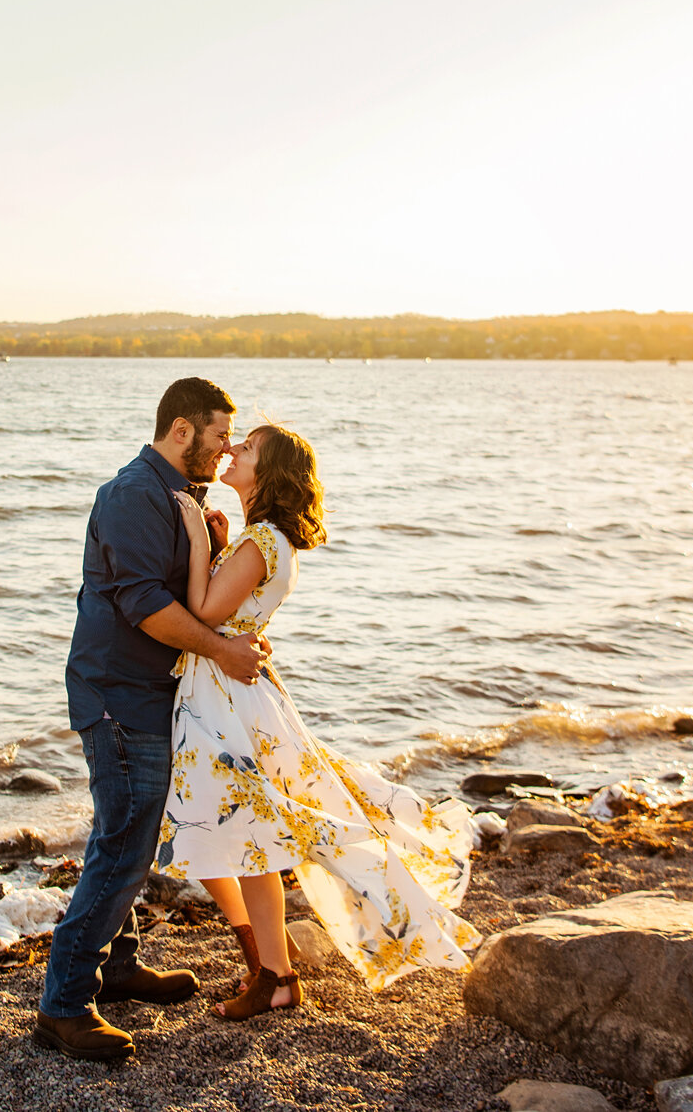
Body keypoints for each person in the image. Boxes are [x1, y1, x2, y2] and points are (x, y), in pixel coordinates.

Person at [159, 424, 479, 1020]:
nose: (231, 450)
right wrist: (221, 541)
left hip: (227, 699)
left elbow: (203, 611)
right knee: (236, 834)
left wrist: (198, 539)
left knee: (248, 837)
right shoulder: (263, 539)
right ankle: (266, 965)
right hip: (230, 693)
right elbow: (231, 608)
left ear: (270, 474)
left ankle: (275, 976)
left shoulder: (262, 541)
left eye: (246, 448)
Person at [33, 377, 273, 1064]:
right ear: (181, 431)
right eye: (220, 433)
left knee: (134, 831)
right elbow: (143, 605)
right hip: (116, 694)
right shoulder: (134, 494)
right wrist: (224, 651)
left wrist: (216, 544)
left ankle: (117, 965)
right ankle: (64, 1003)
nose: (227, 446)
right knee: (124, 841)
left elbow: (184, 593)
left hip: (150, 691)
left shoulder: (183, 495)